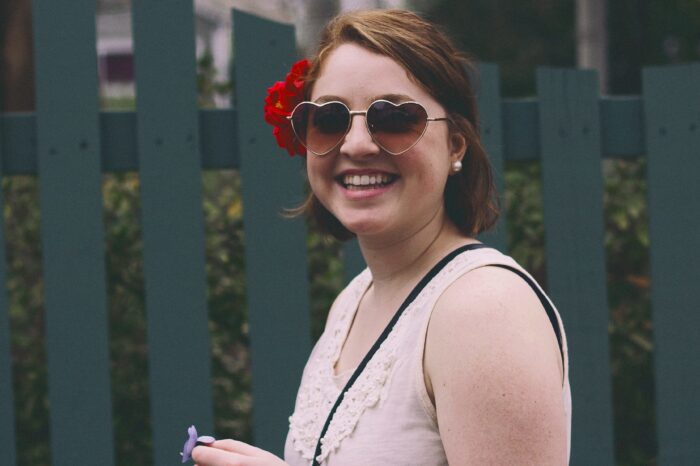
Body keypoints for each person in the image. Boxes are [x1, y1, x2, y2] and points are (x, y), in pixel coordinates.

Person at [192, 8, 571, 466]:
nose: (356, 144)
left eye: (394, 118)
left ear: (455, 144)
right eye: (329, 119)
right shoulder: (354, 301)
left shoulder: (484, 311)